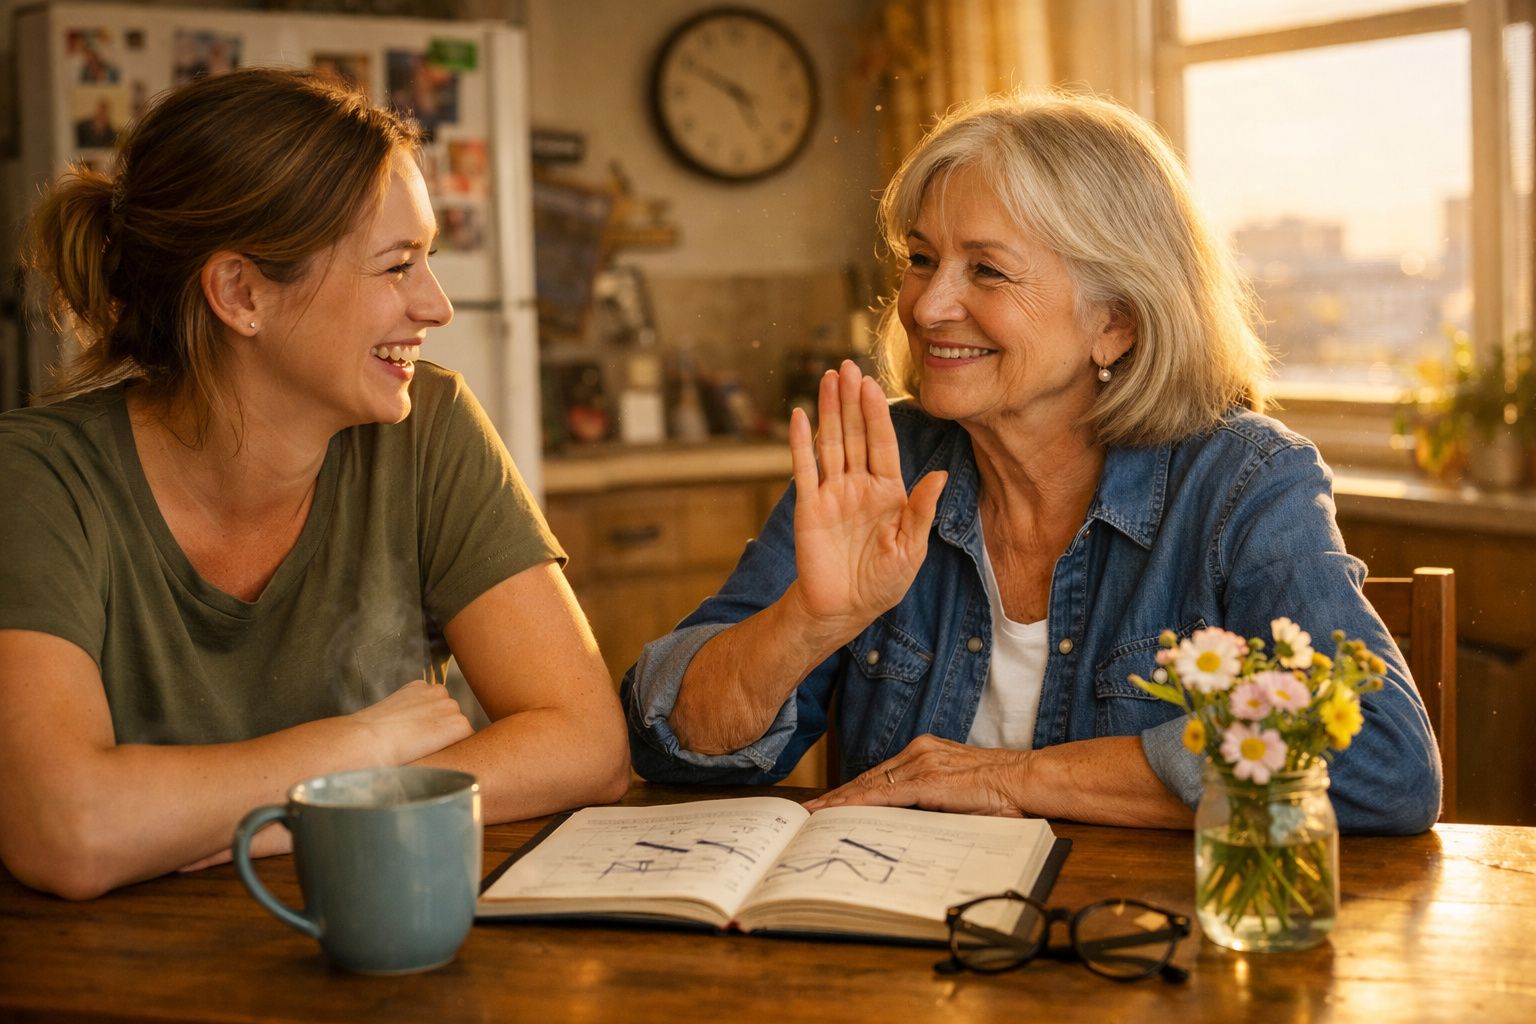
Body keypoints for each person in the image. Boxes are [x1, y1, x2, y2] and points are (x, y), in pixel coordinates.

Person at [621, 91, 1440, 834]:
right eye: (920, 258)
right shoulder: (888, 462)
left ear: (1114, 322)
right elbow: (669, 742)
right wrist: (809, 622)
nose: (928, 306)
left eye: (986, 269)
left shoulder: (1242, 483)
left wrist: (1011, 780)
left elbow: (1382, 761)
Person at [0, 68, 629, 900]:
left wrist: (245, 811)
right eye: (398, 266)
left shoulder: (427, 429)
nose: (436, 307)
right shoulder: (37, 479)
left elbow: (587, 744)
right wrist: (362, 747)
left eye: (428, 260)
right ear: (242, 293)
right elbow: (68, 830)